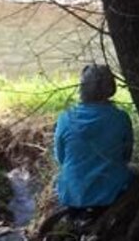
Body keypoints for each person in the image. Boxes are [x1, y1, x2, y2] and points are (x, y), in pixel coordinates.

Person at [54, 64, 134, 211]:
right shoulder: (121, 118)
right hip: (111, 194)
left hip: (72, 195)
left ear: (82, 88)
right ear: (111, 88)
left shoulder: (65, 118)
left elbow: (60, 158)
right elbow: (126, 156)